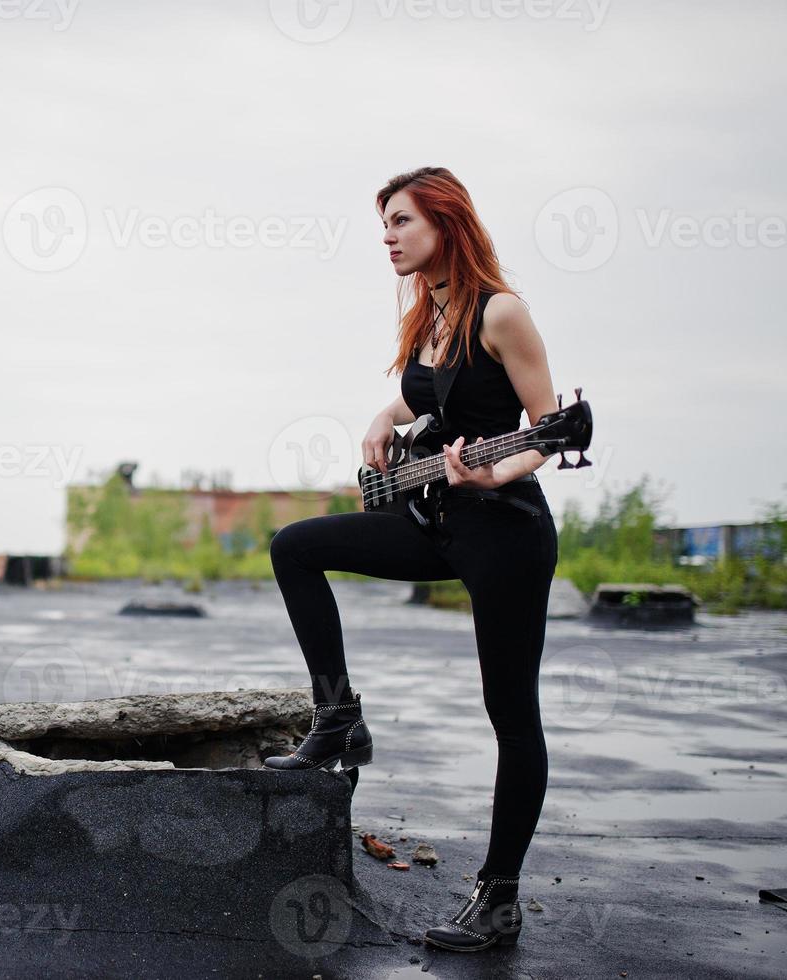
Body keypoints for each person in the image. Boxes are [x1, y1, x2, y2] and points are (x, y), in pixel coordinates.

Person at [261, 166, 561, 953]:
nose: (388, 237)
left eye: (400, 222)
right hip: (435, 519)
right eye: (383, 225)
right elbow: (422, 395)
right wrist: (379, 417)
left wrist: (495, 471)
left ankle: (497, 899)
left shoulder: (501, 311)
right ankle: (338, 720)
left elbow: (547, 425)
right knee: (295, 547)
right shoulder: (432, 314)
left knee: (510, 712)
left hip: (506, 531)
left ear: (444, 223)